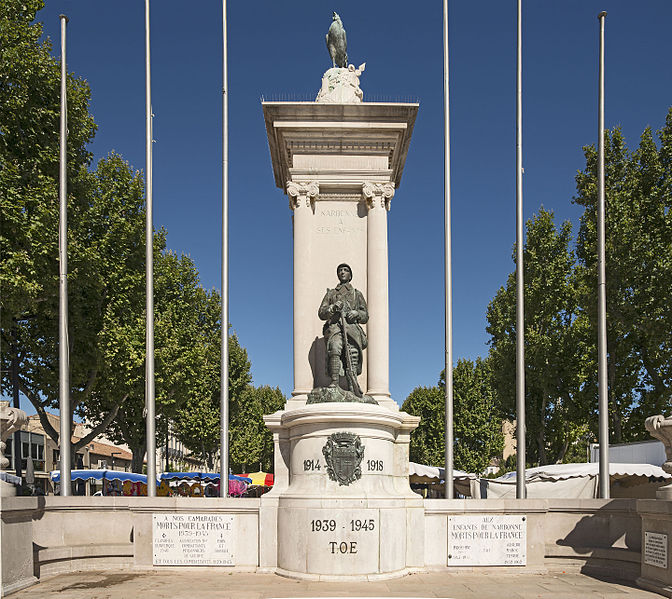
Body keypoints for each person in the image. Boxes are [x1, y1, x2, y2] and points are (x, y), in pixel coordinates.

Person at [318, 263, 368, 390]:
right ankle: (334, 381)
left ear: (350, 275)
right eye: (340, 270)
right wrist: (333, 308)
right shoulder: (331, 294)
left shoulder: (357, 294)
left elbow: (365, 315)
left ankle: (353, 382)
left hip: (352, 329)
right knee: (334, 348)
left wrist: (356, 313)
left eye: (345, 270)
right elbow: (321, 313)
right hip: (335, 327)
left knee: (353, 354)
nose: (342, 272)